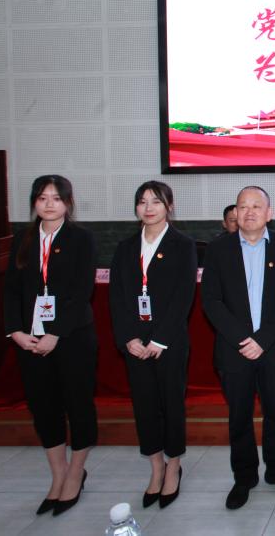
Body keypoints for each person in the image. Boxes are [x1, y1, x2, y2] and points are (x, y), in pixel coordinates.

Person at [201, 186, 275, 509]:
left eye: (256, 206)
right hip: (234, 350)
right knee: (239, 416)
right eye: (243, 206)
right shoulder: (218, 249)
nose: (249, 212)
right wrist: (243, 339)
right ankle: (244, 477)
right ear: (235, 213)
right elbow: (211, 300)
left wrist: (263, 340)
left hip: (274, 348)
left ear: (269, 213)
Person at [3, 175, 97, 517]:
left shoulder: (81, 239)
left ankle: (76, 473)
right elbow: (11, 289)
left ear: (68, 203)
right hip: (29, 339)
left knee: (78, 404)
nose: (49, 204)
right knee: (44, 407)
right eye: (42, 198)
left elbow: (81, 291)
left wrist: (55, 333)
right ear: (34, 202)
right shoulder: (23, 239)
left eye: (56, 198)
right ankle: (58, 475)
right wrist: (15, 330)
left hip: (72, 338)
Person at [109, 181, 197, 510]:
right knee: (144, 406)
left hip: (169, 341)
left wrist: (160, 339)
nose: (148, 208)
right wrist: (129, 338)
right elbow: (117, 297)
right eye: (142, 202)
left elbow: (183, 296)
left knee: (171, 404)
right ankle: (156, 466)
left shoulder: (182, 245)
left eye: (156, 202)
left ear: (169, 207)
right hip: (135, 342)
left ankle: (173, 466)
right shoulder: (125, 247)